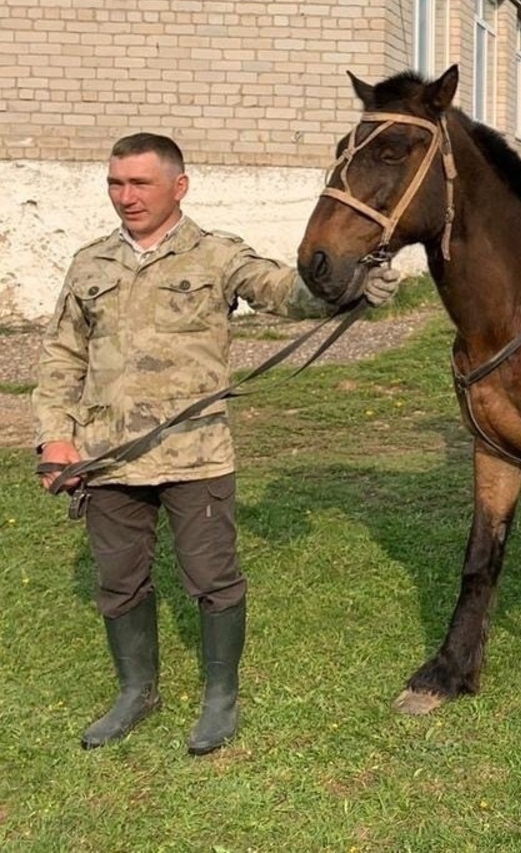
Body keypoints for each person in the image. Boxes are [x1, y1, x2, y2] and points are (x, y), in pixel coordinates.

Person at [32, 132, 402, 754]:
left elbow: (286, 292)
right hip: (108, 457)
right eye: (116, 183)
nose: (127, 197)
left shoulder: (215, 254)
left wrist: (352, 288)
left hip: (194, 454)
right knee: (119, 582)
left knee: (213, 579)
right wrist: (54, 439)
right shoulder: (89, 262)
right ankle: (135, 692)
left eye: (140, 183)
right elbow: (62, 354)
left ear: (179, 186)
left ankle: (219, 700)